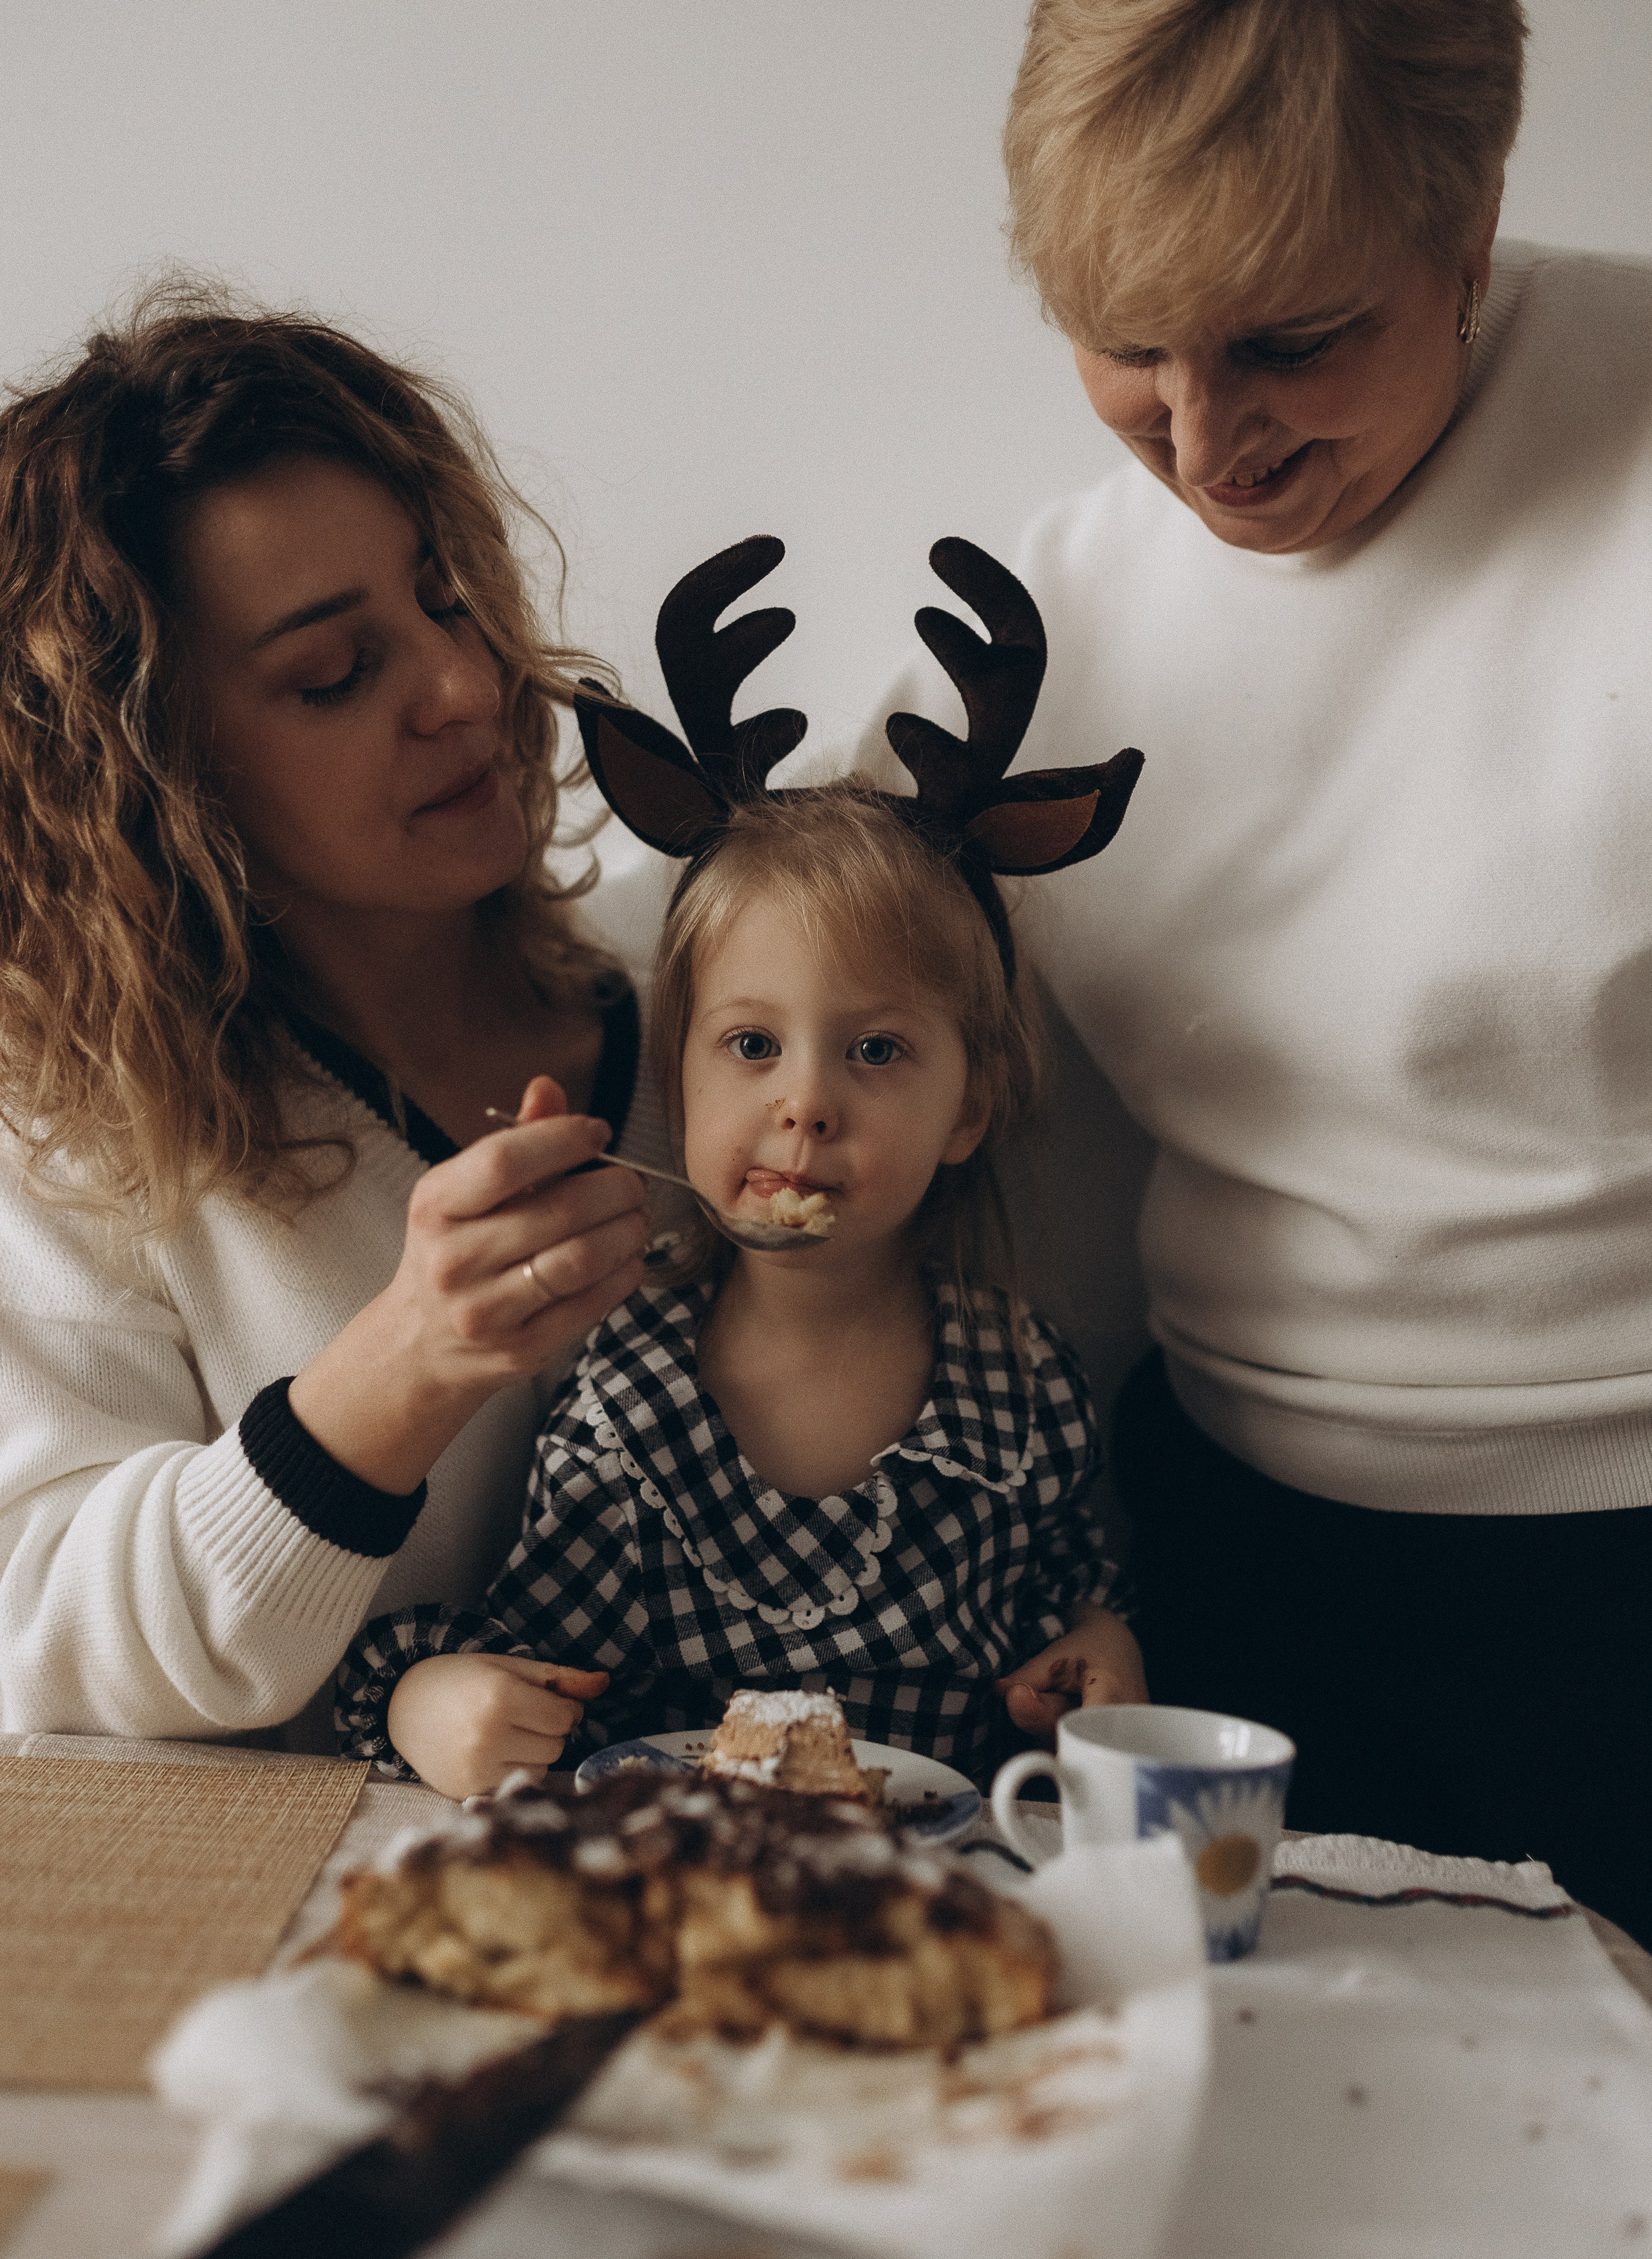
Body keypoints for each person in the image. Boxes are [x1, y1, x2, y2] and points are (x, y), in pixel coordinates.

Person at [857, 0, 1652, 1935]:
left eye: (1295, 342)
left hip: (1625, 1571)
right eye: (1128, 350)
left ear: (1466, 238)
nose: (1206, 446)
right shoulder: (1047, 625)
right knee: (1275, 2151)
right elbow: (803, 946)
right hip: (1225, 1575)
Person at [336, 536, 1148, 1798]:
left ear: (967, 1108)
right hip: (684, 1909)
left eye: (875, 1049)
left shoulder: (1022, 1383)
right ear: (678, 1080)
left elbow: (1064, 1612)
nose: (806, 1106)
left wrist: (1092, 1656)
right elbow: (522, 1677)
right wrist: (426, 1697)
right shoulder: (627, 1398)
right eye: (751, 1046)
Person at [0, 285, 653, 1749]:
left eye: (445, 597)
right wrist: (401, 1367)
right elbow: (37, 1647)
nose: (465, 685)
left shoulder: (707, 1019)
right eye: (331, 675)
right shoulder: (74, 1140)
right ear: (150, 780)